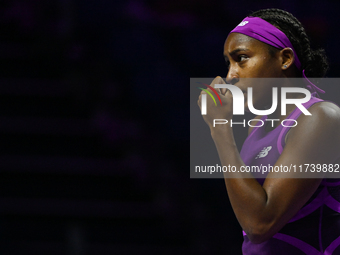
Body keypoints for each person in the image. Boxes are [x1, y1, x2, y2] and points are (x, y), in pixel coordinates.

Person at [197, 8, 340, 254]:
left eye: (241, 58)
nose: (230, 75)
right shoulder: (256, 125)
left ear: (284, 59)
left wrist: (219, 128)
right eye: (228, 63)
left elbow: (260, 225)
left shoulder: (321, 118)